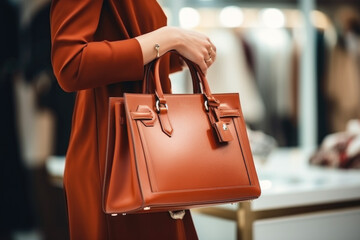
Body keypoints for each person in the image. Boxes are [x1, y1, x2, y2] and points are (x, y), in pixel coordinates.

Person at [50, 0, 216, 239]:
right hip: (114, 154)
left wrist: (178, 53)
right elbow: (71, 64)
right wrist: (171, 38)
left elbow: (127, 46)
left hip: (148, 146)